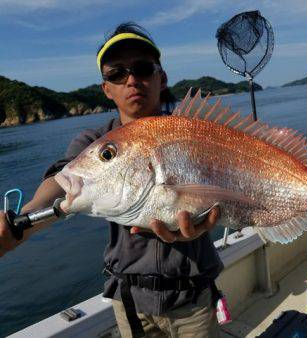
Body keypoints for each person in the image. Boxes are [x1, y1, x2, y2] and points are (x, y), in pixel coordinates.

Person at [0, 22, 224, 338]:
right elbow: (63, 182)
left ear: (161, 78)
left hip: (193, 297)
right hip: (130, 299)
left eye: (143, 68)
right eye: (117, 74)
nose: (132, 79)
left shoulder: (197, 132)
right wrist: (20, 225)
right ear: (106, 89)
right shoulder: (95, 142)